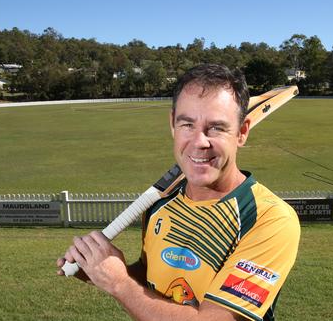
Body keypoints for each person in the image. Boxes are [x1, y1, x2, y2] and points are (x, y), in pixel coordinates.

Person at [57, 64, 300, 321]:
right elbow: (152, 277)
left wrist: (120, 284)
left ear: (242, 132)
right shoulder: (159, 204)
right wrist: (102, 269)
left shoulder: (269, 218)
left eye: (216, 128)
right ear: (173, 125)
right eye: (187, 124)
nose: (199, 142)